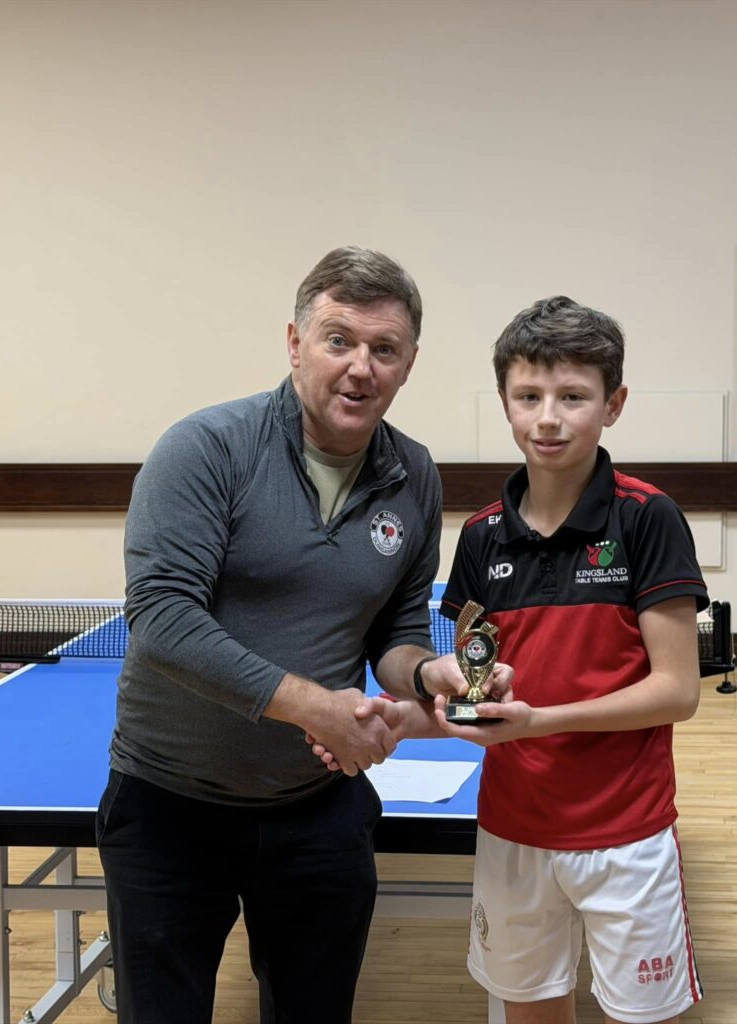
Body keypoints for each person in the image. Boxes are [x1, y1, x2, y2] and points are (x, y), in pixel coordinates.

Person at [96, 246, 489, 1024]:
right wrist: (314, 707)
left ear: (409, 364)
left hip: (318, 809)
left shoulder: (413, 474)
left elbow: (397, 629)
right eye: (339, 339)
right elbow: (163, 615)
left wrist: (427, 675)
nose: (360, 367)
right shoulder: (206, 448)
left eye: (385, 348)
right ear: (295, 343)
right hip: (169, 807)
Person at [431, 296, 708, 1024]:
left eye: (573, 397)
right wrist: (430, 711)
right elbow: (475, 680)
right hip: (513, 827)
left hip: (627, 833)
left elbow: (677, 691)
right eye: (528, 396)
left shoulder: (647, 518)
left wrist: (539, 721)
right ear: (505, 402)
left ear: (613, 405)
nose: (548, 418)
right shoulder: (481, 535)